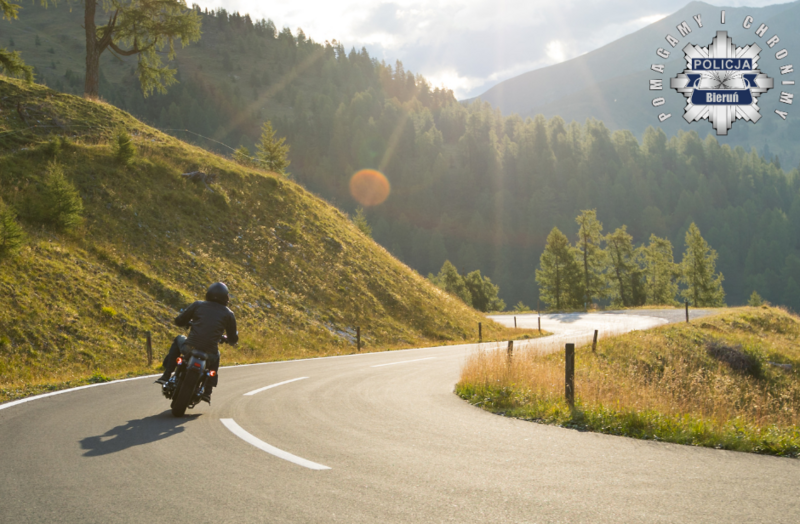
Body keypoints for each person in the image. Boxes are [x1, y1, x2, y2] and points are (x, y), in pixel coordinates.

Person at [156, 282, 238, 403]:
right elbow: (233, 339)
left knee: (179, 338)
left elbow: (179, 320)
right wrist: (226, 338)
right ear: (226, 297)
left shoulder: (198, 305)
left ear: (208, 294)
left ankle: (167, 374)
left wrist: (188, 322)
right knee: (217, 356)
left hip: (189, 348)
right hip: (210, 352)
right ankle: (208, 391)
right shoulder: (229, 314)